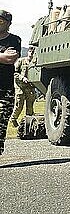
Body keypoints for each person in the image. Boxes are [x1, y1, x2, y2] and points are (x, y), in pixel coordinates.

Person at [0, 10, 21, 155]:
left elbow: (10, 59)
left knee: (1, 123)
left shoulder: (14, 40)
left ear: (8, 23)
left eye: (1, 20)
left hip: (5, 89)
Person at [10, 46, 36, 127]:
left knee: (30, 105)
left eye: (33, 52)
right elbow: (15, 73)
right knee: (19, 105)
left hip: (30, 87)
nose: (31, 54)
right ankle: (13, 119)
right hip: (20, 86)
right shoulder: (21, 61)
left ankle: (28, 122)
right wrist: (22, 78)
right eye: (30, 52)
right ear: (28, 52)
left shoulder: (35, 63)